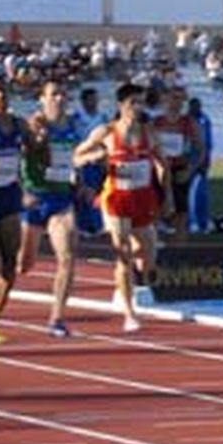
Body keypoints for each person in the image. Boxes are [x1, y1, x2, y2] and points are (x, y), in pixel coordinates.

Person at [74, 83, 168, 333]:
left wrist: (165, 195)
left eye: (140, 103)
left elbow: (163, 165)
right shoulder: (105, 132)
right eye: (132, 103)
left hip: (143, 198)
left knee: (148, 254)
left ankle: (134, 280)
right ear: (121, 106)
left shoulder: (149, 133)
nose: (137, 108)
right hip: (116, 198)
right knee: (123, 253)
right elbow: (75, 156)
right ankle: (129, 312)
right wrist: (90, 158)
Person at [20, 80, 82, 337]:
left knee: (67, 257)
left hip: (60, 198)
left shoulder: (73, 126)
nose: (59, 98)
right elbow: (12, 157)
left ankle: (56, 318)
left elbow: (75, 157)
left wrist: (80, 179)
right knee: (24, 264)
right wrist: (21, 192)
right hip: (33, 199)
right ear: (42, 99)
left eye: (62, 94)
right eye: (53, 94)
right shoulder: (33, 124)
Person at [0, 79, 36, 343]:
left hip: (9, 197)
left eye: (4, 90)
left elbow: (38, 153)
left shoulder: (19, 124)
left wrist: (40, 135)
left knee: (9, 266)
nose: (2, 95)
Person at [151, 87, 203, 238]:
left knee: (180, 209)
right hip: (158, 169)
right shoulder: (156, 122)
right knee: (154, 206)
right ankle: (153, 244)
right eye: (174, 98)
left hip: (179, 169)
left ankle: (180, 245)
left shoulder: (189, 123)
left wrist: (191, 169)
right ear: (165, 99)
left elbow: (200, 149)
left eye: (181, 99)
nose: (177, 102)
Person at [71, 86, 109, 238]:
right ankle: (82, 225)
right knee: (83, 191)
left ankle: (97, 224)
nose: (94, 102)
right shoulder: (76, 118)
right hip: (82, 159)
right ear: (83, 101)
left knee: (97, 191)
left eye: (95, 99)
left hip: (98, 160)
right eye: (90, 99)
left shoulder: (103, 118)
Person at [186, 96, 213, 233]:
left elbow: (208, 143)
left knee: (201, 193)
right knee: (188, 193)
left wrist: (205, 160)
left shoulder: (204, 120)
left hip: (200, 162)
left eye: (198, 106)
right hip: (187, 162)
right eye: (194, 106)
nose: (196, 109)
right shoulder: (185, 121)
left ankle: (203, 221)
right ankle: (192, 221)